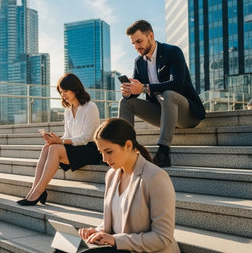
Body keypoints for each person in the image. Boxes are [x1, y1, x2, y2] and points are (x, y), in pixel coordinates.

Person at [78, 118, 180, 253]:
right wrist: (96, 232)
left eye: (108, 152)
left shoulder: (156, 177)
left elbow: (162, 237)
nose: (104, 159)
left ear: (128, 145)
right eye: (101, 152)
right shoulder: (111, 175)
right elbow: (117, 222)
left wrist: (115, 240)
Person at [118, 20, 206, 167]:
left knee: (168, 94)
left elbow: (177, 83)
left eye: (139, 41)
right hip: (161, 113)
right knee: (125, 103)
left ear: (150, 36)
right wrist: (128, 91)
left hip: (187, 114)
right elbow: (137, 90)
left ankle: (164, 152)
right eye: (133, 43)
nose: (136, 47)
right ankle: (124, 150)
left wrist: (145, 88)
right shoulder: (139, 61)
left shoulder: (172, 52)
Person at [17, 73, 102, 206]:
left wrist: (60, 142)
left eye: (65, 91)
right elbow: (67, 135)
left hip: (89, 149)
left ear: (75, 88)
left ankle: (38, 191)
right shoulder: (68, 110)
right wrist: (55, 139)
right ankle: (36, 189)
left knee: (55, 148)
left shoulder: (90, 107)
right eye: (61, 92)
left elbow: (85, 138)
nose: (63, 95)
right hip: (75, 148)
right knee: (47, 147)